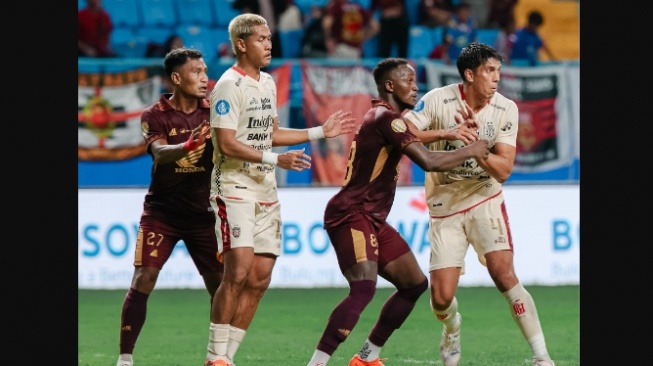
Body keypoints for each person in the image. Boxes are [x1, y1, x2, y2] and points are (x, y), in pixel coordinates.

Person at [306, 58, 490, 366]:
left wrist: (451, 132)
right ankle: (316, 363)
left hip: (371, 217)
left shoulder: (384, 118)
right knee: (363, 287)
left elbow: (412, 136)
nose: (416, 85)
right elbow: (428, 161)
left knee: (414, 284)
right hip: (352, 213)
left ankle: (367, 357)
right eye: (409, 80)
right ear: (390, 86)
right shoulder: (387, 119)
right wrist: (471, 149)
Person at [203, 13, 357, 366]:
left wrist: (319, 132)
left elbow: (270, 132)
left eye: (270, 38)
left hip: (265, 190)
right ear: (241, 44)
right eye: (261, 38)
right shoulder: (228, 85)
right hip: (235, 185)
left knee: (259, 278)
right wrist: (276, 160)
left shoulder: (268, 83)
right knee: (238, 270)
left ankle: (226, 358)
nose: (269, 44)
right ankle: (214, 358)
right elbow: (226, 144)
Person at [403, 42, 556, 366]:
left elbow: (504, 170)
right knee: (442, 298)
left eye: (498, 71)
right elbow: (404, 131)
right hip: (444, 205)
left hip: (484, 197)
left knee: (504, 273)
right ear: (469, 75)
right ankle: (452, 329)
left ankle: (542, 357)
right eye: (489, 71)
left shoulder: (505, 109)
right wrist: (451, 133)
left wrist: (477, 148)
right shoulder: (438, 100)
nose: (496, 78)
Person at [116, 47, 223, 366]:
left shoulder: (216, 110)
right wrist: (190, 144)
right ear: (176, 78)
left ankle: (218, 357)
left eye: (205, 71)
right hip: (162, 213)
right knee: (143, 277)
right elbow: (161, 154)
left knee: (220, 286)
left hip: (205, 215)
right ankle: (125, 358)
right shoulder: (155, 114)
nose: (204, 77)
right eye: (196, 72)